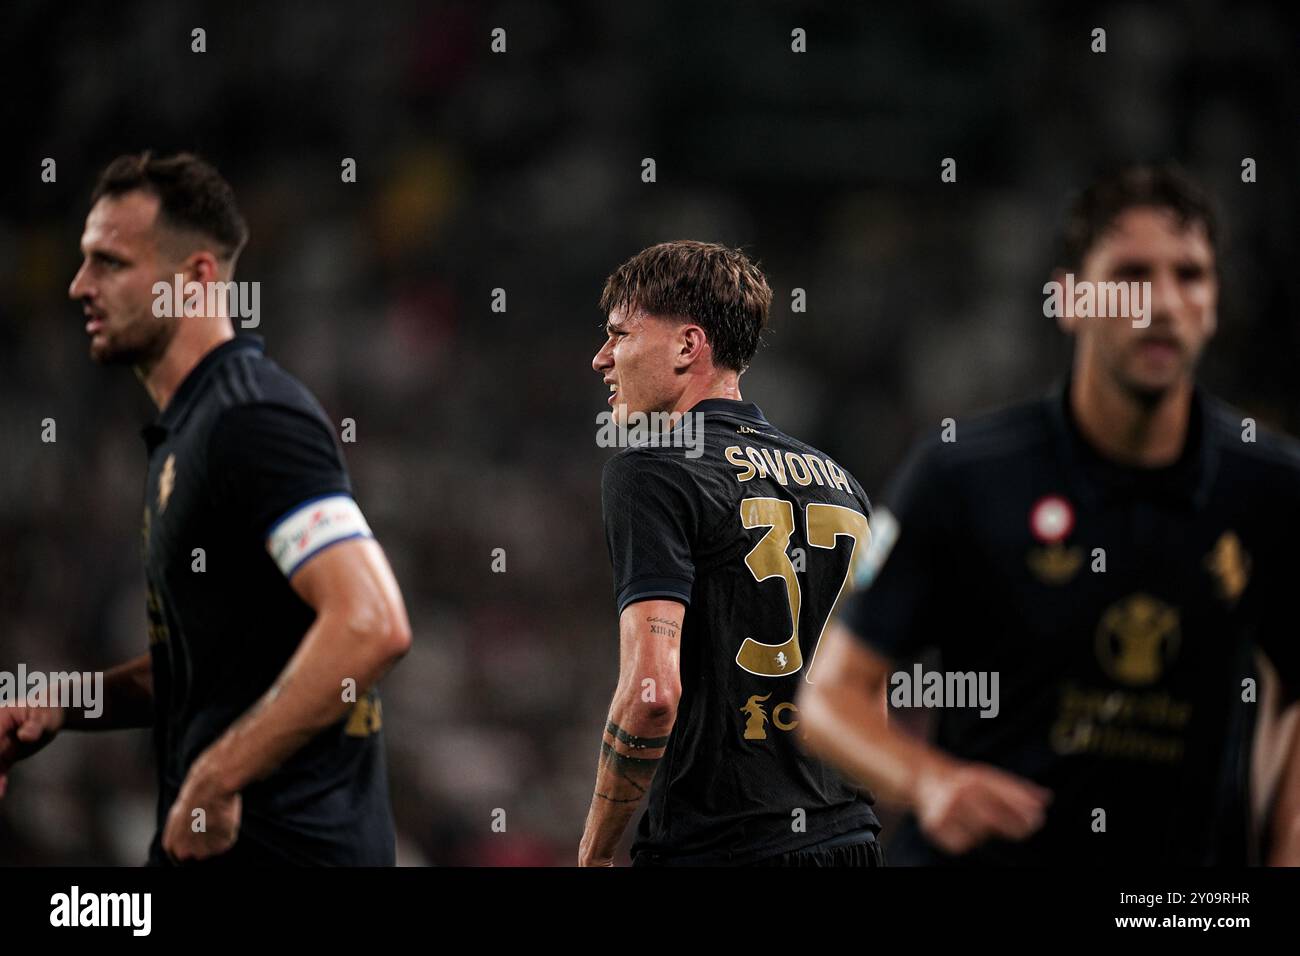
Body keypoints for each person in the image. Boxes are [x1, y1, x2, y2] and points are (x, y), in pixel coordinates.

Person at [798, 164, 1300, 865]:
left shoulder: (1272, 490)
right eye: (1130, 275)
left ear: (1213, 304)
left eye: (1189, 276)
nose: (1161, 303)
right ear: (1067, 298)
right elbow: (829, 698)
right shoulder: (962, 474)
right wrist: (931, 781)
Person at [0, 151, 411, 865]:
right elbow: (210, 668)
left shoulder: (252, 418)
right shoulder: (188, 435)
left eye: (109, 263)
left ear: (194, 280)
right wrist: (63, 702)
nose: (78, 286)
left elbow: (371, 623)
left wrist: (215, 781)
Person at [579, 240, 882, 866]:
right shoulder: (842, 482)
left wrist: (596, 852)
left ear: (689, 346)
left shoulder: (652, 471)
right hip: (851, 840)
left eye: (619, 335)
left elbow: (652, 695)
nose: (601, 359)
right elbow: (870, 701)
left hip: (722, 844)